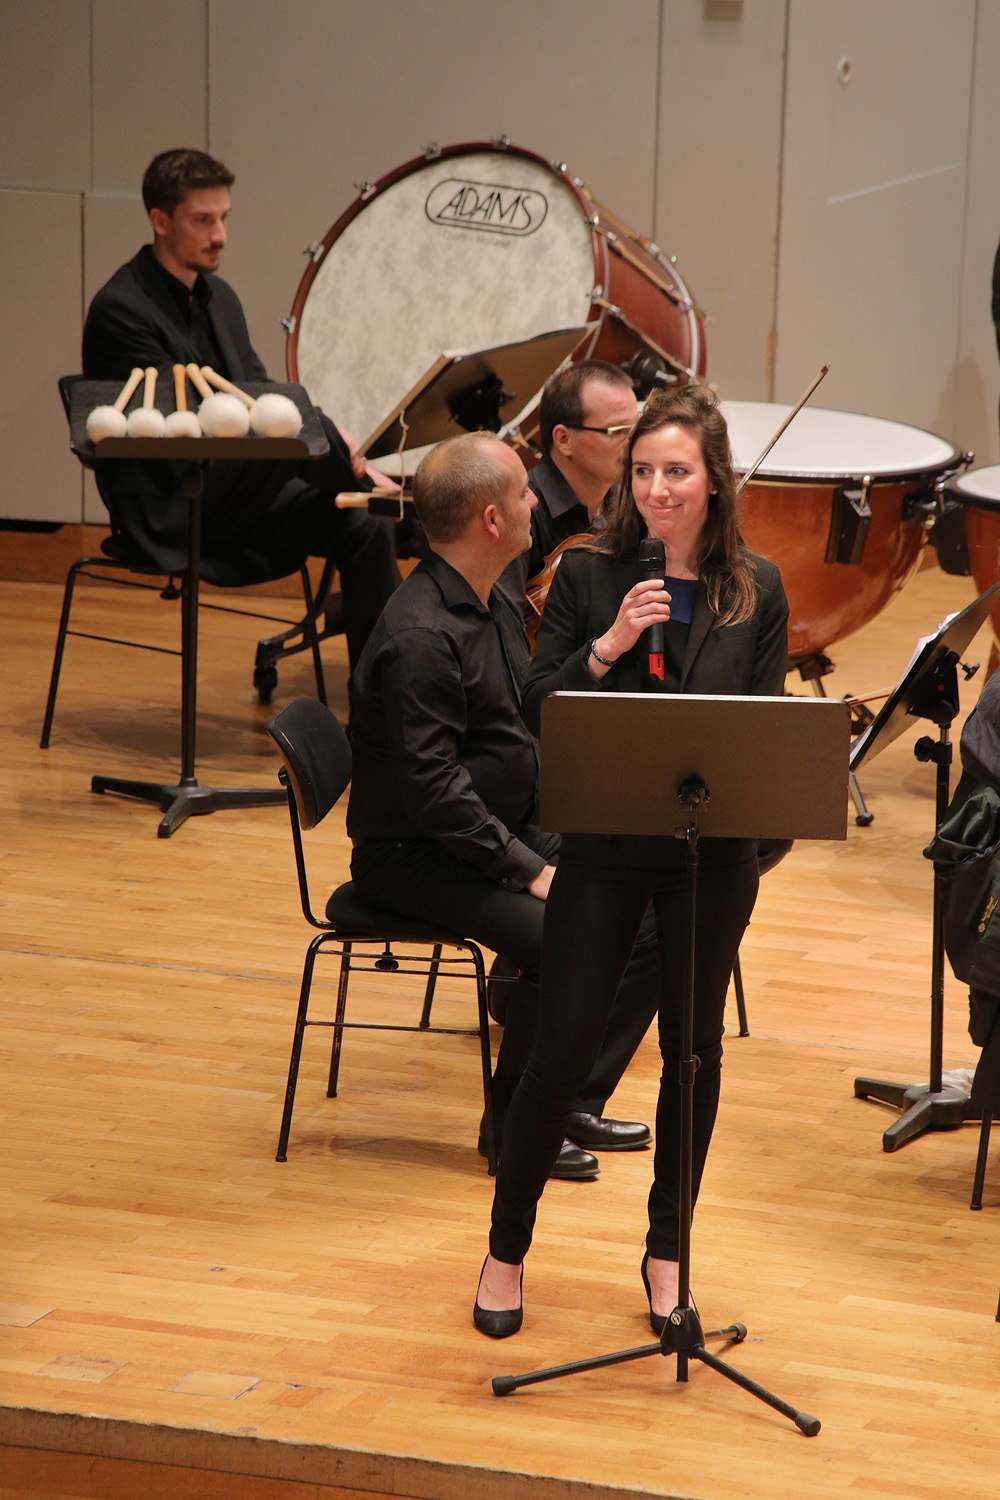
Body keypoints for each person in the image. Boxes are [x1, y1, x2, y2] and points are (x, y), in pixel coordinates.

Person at [474, 384, 789, 1337]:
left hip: (709, 857)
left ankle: (667, 1255)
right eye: (644, 470)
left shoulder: (754, 589)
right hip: (606, 849)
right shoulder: (584, 576)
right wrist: (609, 646)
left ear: (713, 482)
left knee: (694, 1057)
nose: (657, 489)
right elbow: (539, 709)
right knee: (563, 1046)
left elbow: (764, 731)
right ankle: (504, 1250)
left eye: (677, 472)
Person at [346, 432, 660, 1180]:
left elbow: (518, 723)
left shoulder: (496, 590)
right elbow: (433, 793)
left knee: (650, 899)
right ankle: (517, 1128)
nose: (534, 503)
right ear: (491, 520)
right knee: (565, 934)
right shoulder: (422, 634)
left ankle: (564, 1098)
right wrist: (526, 869)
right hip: (416, 856)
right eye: (523, 492)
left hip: (498, 830)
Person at [82, 148, 399, 677]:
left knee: (366, 523)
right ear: (160, 221)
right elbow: (200, 425)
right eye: (203, 220)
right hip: (171, 507)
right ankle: (399, 500)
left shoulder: (219, 297)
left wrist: (321, 435)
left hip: (239, 496)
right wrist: (331, 443)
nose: (221, 235)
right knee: (295, 433)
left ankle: (378, 717)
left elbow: (257, 389)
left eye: (224, 217)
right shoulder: (122, 309)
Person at [501, 359, 638, 606]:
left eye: (635, 428)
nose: (634, 444)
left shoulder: (630, 502)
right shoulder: (520, 514)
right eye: (617, 431)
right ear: (564, 439)